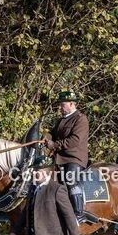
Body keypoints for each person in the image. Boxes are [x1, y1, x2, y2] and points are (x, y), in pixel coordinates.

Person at [42, 89, 91, 222]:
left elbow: (75, 140)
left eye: (62, 105)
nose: (59, 107)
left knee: (71, 180)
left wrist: (54, 145)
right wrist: (44, 138)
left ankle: (79, 213)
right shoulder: (61, 120)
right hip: (58, 159)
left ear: (71, 104)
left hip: (74, 158)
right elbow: (52, 133)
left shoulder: (81, 119)